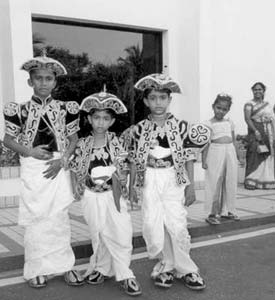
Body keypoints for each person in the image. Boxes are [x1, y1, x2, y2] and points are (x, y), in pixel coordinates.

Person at [120, 73, 210, 290]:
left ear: (169, 100)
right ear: (145, 101)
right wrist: (133, 186)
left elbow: (188, 157)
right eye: (153, 98)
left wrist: (190, 187)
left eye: (162, 98)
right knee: (153, 224)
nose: (157, 102)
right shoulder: (137, 130)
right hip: (148, 178)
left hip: (174, 179)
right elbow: (133, 160)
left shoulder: (182, 127)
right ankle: (165, 266)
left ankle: (187, 269)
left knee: (177, 224)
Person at [3, 52, 84, 288]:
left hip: (58, 167)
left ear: (55, 82)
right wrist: (30, 152)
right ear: (30, 81)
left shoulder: (66, 108)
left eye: (49, 78)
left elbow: (73, 139)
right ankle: (36, 268)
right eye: (38, 78)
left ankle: (65, 266)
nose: (43, 83)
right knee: (37, 219)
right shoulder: (18, 110)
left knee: (59, 218)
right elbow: (8, 140)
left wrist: (62, 161)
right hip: (33, 168)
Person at [70, 91, 142, 296]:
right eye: (96, 118)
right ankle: (102, 267)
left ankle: (126, 274)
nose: (100, 122)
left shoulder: (118, 142)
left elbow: (131, 164)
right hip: (91, 195)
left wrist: (131, 187)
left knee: (120, 233)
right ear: (89, 119)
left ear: (112, 121)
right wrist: (76, 188)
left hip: (114, 195)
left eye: (105, 118)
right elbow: (75, 168)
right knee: (98, 233)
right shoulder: (83, 143)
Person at [202, 94, 241, 225]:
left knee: (229, 180)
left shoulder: (229, 122)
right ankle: (212, 213)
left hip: (229, 151)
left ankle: (228, 210)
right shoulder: (208, 124)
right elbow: (205, 143)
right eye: (218, 108)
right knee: (215, 181)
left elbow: (234, 140)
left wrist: (238, 156)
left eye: (224, 109)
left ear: (228, 110)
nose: (221, 111)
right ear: (213, 107)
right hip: (215, 151)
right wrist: (204, 160)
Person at [243, 82, 275, 189]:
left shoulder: (267, 104)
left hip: (267, 131)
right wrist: (256, 131)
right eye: (255, 89)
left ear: (263, 91)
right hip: (255, 130)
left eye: (260, 89)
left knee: (266, 154)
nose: (257, 91)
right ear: (252, 91)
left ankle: (264, 180)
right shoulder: (249, 104)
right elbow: (247, 119)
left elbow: (271, 116)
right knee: (254, 153)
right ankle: (250, 181)